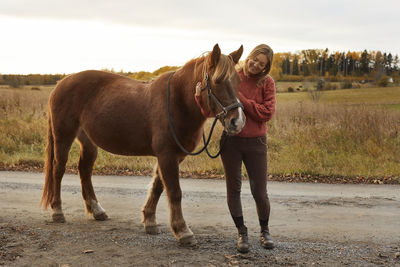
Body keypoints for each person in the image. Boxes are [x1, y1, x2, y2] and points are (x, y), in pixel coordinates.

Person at [195, 44, 276, 253]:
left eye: (261, 63)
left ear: (266, 67)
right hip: (231, 143)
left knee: (260, 192)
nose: (255, 65)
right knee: (234, 189)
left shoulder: (267, 83)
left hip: (256, 142)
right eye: (253, 59)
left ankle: (265, 231)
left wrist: (242, 102)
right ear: (248, 57)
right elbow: (212, 111)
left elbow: (266, 113)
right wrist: (199, 98)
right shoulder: (233, 77)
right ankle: (242, 232)